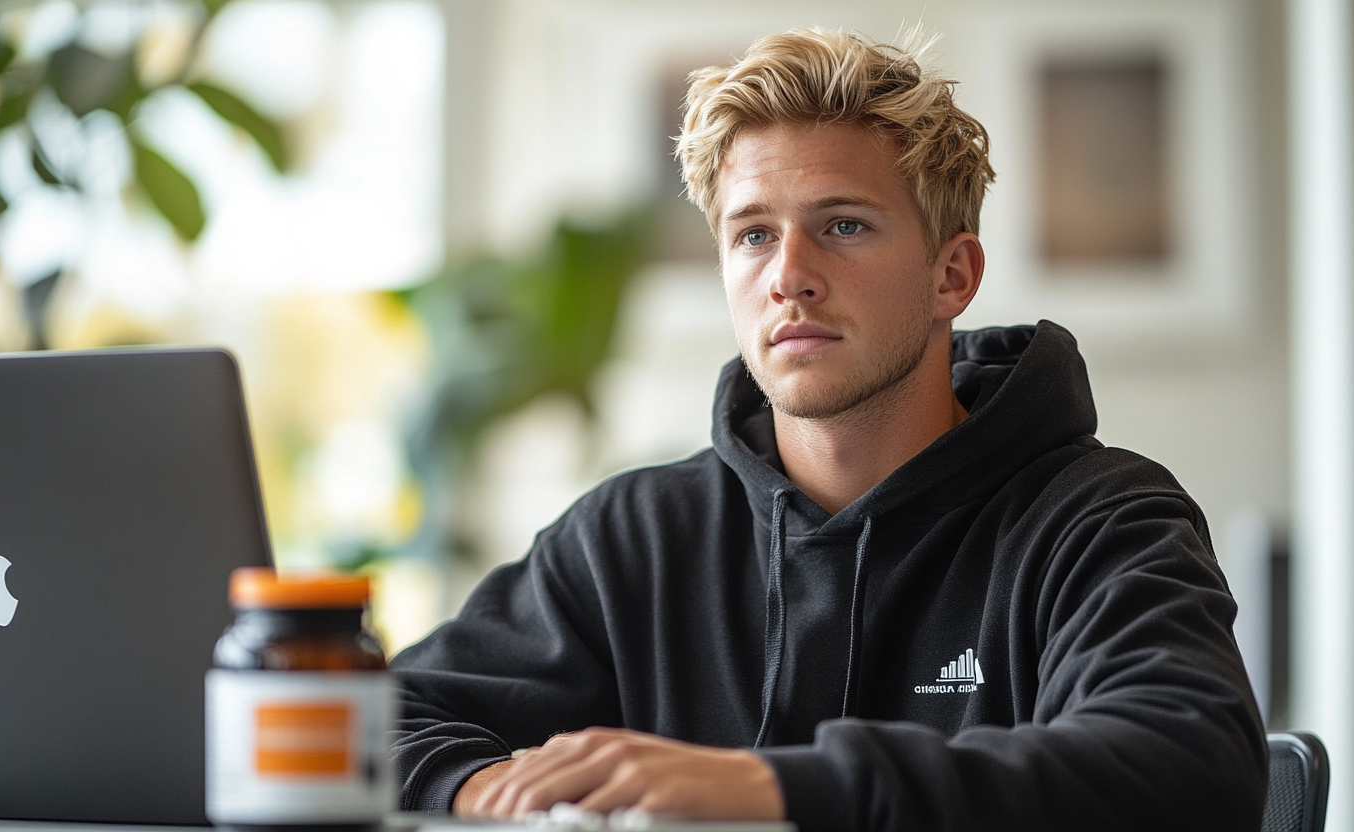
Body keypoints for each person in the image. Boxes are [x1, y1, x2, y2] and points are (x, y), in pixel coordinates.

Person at [390, 26, 1268, 831]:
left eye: (843, 226)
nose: (790, 277)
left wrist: (766, 789)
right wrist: (487, 790)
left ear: (951, 276)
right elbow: (377, 720)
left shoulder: (1100, 521)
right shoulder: (635, 538)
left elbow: (1187, 763)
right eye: (754, 236)